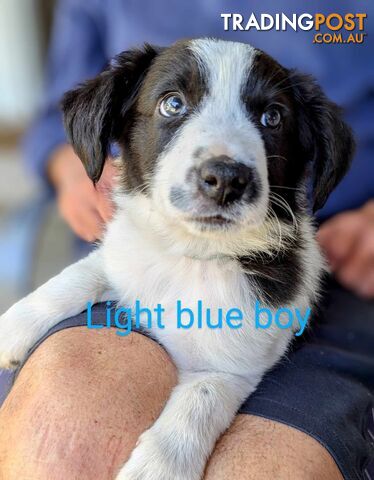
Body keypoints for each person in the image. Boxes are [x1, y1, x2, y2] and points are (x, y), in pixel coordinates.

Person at [0, 1, 373, 479]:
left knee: (274, 466)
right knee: (59, 435)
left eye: (271, 118)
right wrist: (76, 166)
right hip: (144, 229)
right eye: (173, 103)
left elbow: (228, 373)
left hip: (348, 268)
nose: (222, 172)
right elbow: (58, 120)